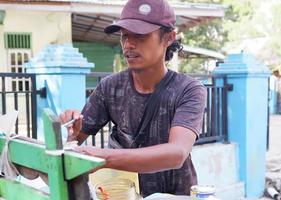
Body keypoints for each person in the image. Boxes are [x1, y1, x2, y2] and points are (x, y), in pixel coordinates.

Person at [60, 0, 207, 197]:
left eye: (141, 36)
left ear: (169, 38)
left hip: (173, 195)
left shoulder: (188, 90)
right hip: (121, 192)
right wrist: (71, 131)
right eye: (124, 36)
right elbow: (75, 140)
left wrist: (104, 156)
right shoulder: (110, 87)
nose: (128, 44)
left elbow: (177, 153)